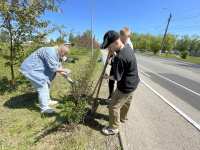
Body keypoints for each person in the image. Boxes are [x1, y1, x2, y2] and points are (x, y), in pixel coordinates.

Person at [101, 31, 140, 135]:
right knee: (126, 102)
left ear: (115, 43)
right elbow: (122, 61)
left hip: (125, 87)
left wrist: (107, 76)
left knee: (113, 106)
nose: (109, 49)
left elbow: (117, 77)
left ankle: (113, 128)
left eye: (109, 46)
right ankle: (122, 118)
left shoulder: (120, 58)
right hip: (134, 83)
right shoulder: (127, 48)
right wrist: (114, 54)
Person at [20, 44, 72, 114]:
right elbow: (54, 68)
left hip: (37, 70)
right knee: (42, 86)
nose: (64, 57)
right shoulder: (50, 52)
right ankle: (44, 109)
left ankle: (47, 100)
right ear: (61, 51)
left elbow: (60, 69)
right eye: (64, 55)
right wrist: (65, 70)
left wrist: (70, 80)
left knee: (47, 83)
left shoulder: (58, 55)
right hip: (31, 69)